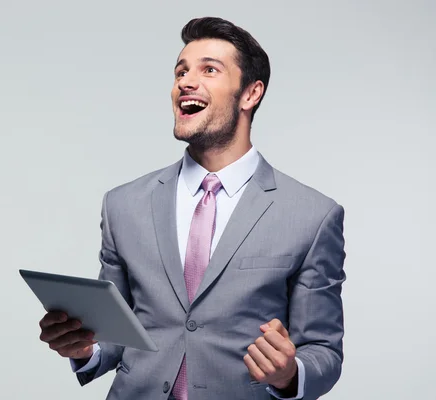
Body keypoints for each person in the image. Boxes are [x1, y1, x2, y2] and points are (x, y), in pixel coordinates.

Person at [38, 16, 346, 400]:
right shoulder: (122, 205)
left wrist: (289, 373)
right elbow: (119, 334)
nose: (185, 81)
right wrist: (85, 348)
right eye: (180, 71)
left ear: (250, 94)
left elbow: (324, 351)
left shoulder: (313, 216)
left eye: (209, 70)